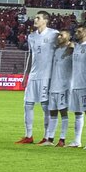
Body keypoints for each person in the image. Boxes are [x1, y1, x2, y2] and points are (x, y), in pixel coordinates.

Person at [18, 11, 57, 145]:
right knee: (27, 105)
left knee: (45, 107)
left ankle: (47, 137)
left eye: (38, 18)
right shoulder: (31, 36)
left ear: (45, 21)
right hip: (33, 76)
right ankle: (28, 135)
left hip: (47, 76)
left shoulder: (54, 34)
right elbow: (30, 55)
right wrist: (25, 74)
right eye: (35, 17)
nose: (35, 20)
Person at [41, 30, 74, 147]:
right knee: (53, 113)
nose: (59, 37)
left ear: (69, 37)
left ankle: (62, 139)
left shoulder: (72, 50)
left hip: (64, 86)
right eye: (58, 35)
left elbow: (77, 47)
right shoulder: (56, 50)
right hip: (53, 86)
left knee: (64, 113)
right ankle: (50, 139)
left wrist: (72, 45)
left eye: (62, 35)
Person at [67, 23, 86, 148]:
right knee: (77, 113)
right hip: (75, 84)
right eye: (76, 32)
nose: (76, 34)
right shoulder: (75, 47)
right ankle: (77, 141)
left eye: (79, 32)